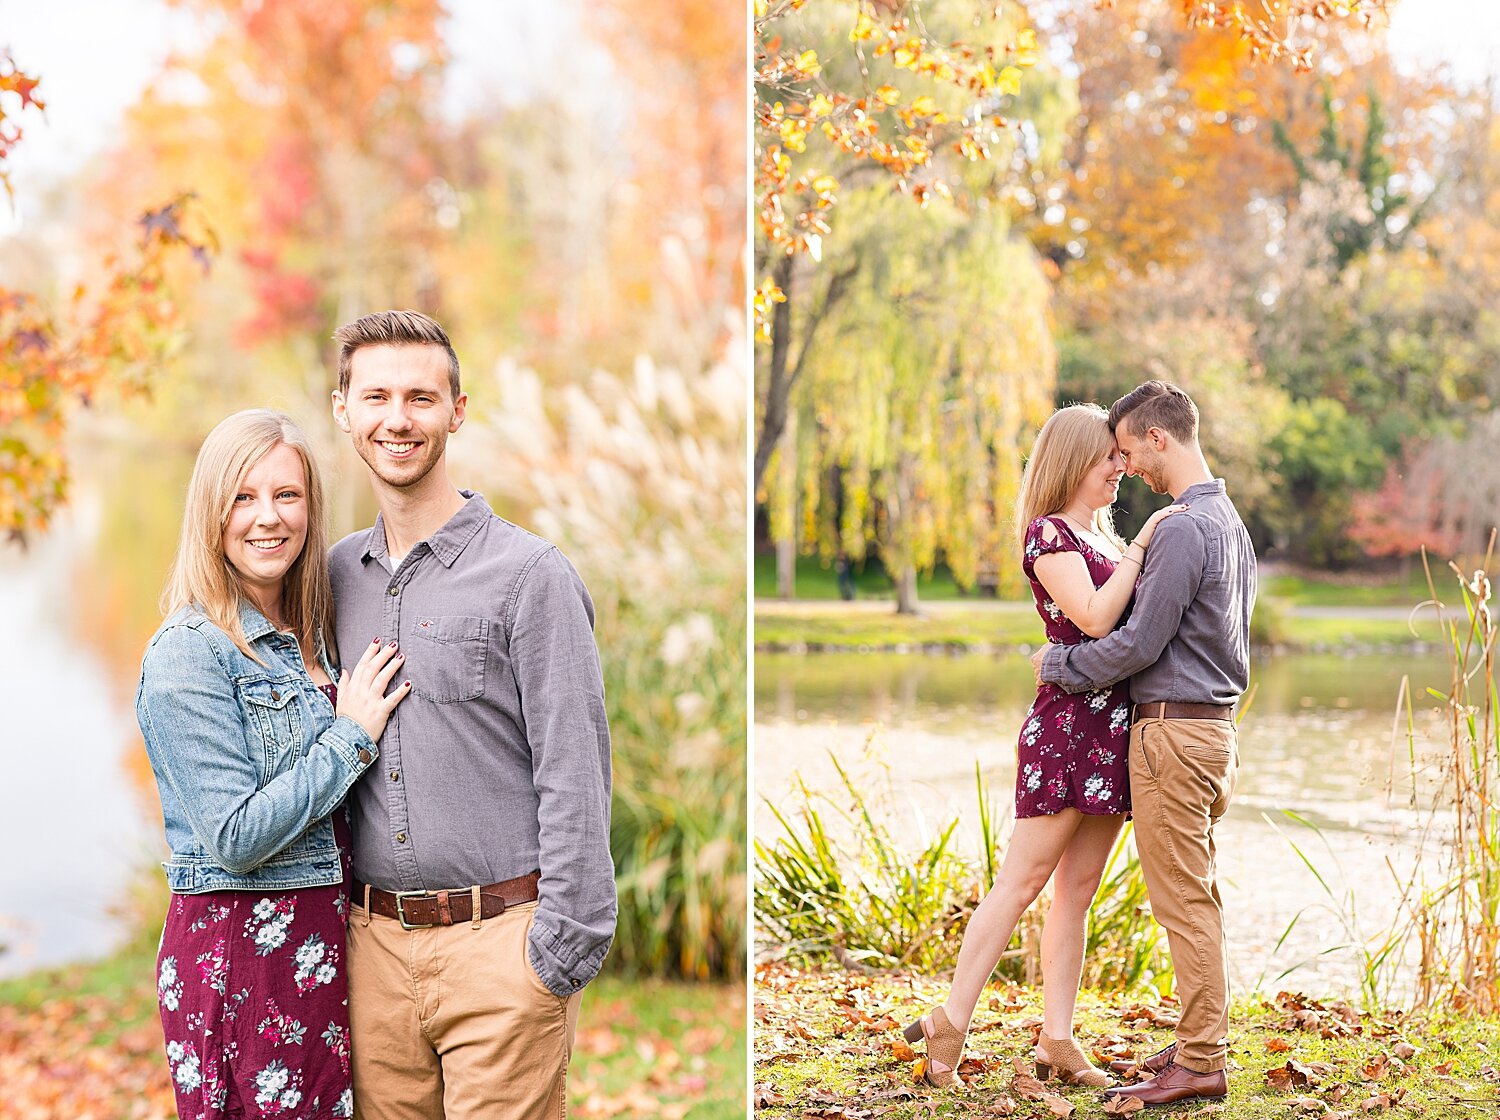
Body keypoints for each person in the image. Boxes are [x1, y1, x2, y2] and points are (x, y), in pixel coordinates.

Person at [326, 310, 616, 1120]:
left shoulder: (530, 577)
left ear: (457, 410)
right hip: (371, 955)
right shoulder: (332, 576)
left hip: (503, 951)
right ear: (343, 409)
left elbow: (576, 771)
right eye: (376, 395)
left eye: (420, 397)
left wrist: (558, 951)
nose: (397, 419)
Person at [136, 409, 410, 1120]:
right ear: (212, 510)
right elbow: (236, 836)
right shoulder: (189, 653)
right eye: (244, 496)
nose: (268, 518)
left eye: (287, 496)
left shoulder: (311, 632)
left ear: (311, 508)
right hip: (241, 965)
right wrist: (350, 736)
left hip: (323, 952)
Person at [904, 403, 1182, 1090]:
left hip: (1113, 729)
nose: (1120, 468)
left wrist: (1134, 548)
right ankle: (950, 1023)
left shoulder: (1106, 541)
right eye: (1107, 458)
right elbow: (1091, 618)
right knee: (1020, 883)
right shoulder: (1050, 535)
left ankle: (1057, 1038)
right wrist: (1147, 543)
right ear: (1071, 461)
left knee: (1078, 891)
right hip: (1066, 734)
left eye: (1121, 457)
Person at [1031, 380, 1256, 1108]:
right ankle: (1199, 1042)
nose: (1123, 464)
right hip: (1214, 732)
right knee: (1200, 897)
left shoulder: (1185, 527)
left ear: (1159, 438)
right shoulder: (1228, 523)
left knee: (1183, 903)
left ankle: (1199, 1063)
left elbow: (1134, 644)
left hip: (1175, 736)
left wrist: (1057, 664)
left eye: (1127, 448)